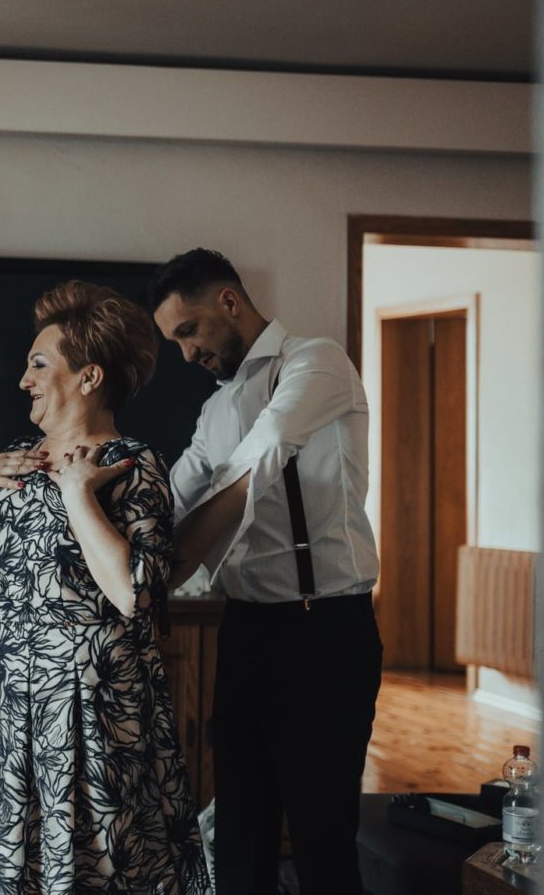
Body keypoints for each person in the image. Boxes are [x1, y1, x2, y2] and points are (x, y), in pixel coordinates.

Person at [0, 281, 210, 895]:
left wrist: (80, 494)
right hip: (12, 700)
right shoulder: (13, 460)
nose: (23, 380)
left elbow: (136, 594)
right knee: (21, 867)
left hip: (93, 706)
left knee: (100, 867)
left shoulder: (134, 465)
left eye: (38, 364)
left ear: (89, 377)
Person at [147, 248, 382, 895]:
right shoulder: (216, 410)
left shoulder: (315, 361)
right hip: (246, 630)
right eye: (175, 342)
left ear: (229, 301)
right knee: (239, 834)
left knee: (321, 837)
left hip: (324, 631)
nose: (186, 354)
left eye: (189, 331)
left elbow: (268, 448)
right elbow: (174, 495)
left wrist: (180, 555)